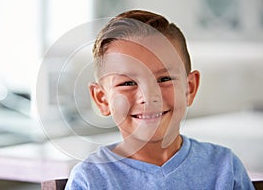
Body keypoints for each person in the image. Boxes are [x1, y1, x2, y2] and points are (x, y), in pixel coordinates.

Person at [65, 10, 254, 189]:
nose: (148, 97)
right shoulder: (90, 178)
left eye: (164, 79)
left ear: (189, 88)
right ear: (102, 99)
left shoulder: (225, 167)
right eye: (128, 83)